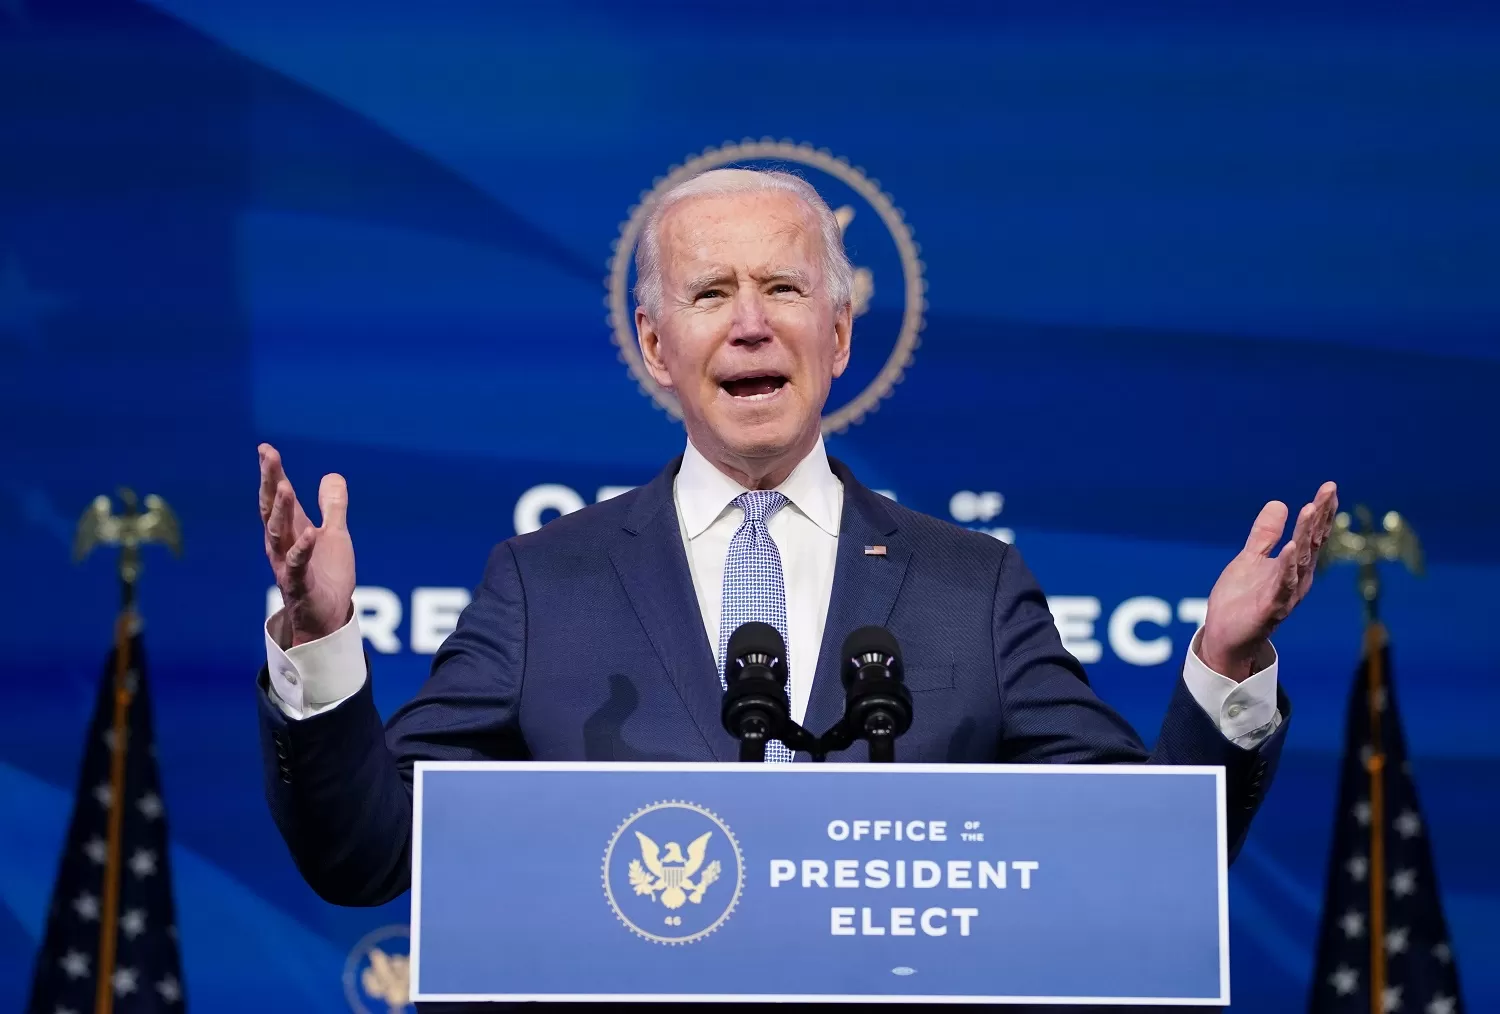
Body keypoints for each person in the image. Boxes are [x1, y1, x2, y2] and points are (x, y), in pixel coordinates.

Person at [255, 168, 1336, 916]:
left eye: (782, 287)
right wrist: (321, 641)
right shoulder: (545, 585)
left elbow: (1139, 867)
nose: (751, 323)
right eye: (711, 293)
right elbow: (369, 854)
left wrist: (1225, 673)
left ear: (840, 333)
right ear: (655, 346)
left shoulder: (973, 586)